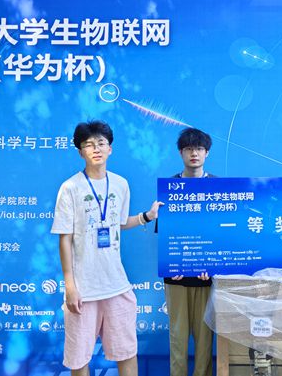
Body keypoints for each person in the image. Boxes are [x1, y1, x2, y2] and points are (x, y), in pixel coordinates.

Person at [51, 120, 162, 376]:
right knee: (79, 359)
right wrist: (70, 286)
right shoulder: (70, 188)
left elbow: (119, 223)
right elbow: (65, 239)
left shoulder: (121, 184)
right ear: (80, 152)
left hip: (116, 285)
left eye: (101, 143)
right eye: (89, 144)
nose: (96, 148)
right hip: (84, 289)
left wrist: (147, 216)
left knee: (127, 352)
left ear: (110, 148)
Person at [155, 127, 214, 376]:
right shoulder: (170, 188)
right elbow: (165, 234)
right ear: (181, 153)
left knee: (205, 341)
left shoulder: (218, 187)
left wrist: (212, 266)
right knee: (177, 340)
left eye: (199, 148)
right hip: (176, 277)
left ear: (207, 153)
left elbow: (223, 234)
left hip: (207, 276)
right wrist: (173, 265)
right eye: (189, 149)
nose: (194, 154)